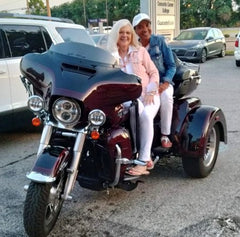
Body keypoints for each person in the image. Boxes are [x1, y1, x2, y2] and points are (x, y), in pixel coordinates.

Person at [107, 19, 160, 176]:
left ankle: (143, 160)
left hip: (147, 95)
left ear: (132, 35)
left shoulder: (140, 51)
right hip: (124, 99)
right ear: (116, 34)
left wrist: (151, 91)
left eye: (128, 33)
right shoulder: (110, 56)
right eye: (121, 32)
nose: (125, 35)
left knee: (145, 116)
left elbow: (154, 73)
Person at [132, 13, 176, 148]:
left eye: (147, 25)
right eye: (140, 27)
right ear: (135, 31)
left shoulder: (159, 41)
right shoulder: (134, 47)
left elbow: (171, 65)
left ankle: (165, 135)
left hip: (162, 81)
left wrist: (166, 83)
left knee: (167, 96)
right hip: (143, 85)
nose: (145, 29)